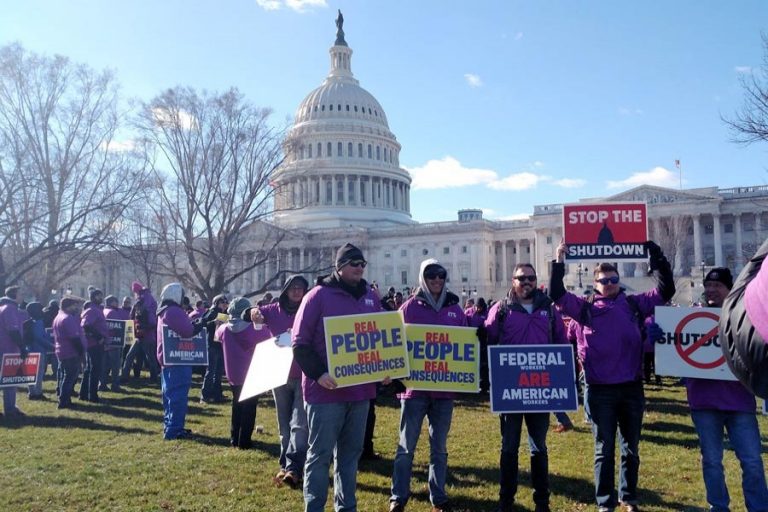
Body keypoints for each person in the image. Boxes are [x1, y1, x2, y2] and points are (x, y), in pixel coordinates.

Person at [549, 240, 675, 512]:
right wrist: (559, 259)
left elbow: (666, 291)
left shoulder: (634, 304)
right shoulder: (584, 307)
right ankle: (605, 501)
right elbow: (557, 293)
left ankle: (628, 497)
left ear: (619, 281)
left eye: (613, 279)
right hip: (600, 389)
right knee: (603, 449)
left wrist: (657, 257)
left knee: (631, 448)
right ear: (595, 283)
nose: (609, 283)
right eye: (603, 280)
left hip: (630, 386)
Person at [292, 243, 390, 512]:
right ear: (339, 266)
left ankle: (347, 508)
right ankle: (314, 507)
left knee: (349, 457)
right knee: (320, 455)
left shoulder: (370, 297)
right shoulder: (317, 296)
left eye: (362, 264)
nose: (359, 268)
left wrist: (386, 369)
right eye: (353, 263)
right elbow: (299, 343)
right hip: (325, 392)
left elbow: (380, 339)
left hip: (360, 394)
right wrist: (318, 374)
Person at [678, 268, 768, 511]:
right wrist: (657, 337)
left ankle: (759, 507)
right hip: (704, 401)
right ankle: (718, 507)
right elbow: (671, 349)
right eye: (708, 285)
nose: (711, 290)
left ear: (729, 290)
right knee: (712, 462)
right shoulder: (689, 318)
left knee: (751, 462)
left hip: (739, 402)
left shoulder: (745, 318)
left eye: (717, 286)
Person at [484, 263, 565, 512]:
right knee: (508, 448)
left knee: (538, 447)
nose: (526, 282)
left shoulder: (550, 310)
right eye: (522, 278)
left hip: (540, 390)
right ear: (513, 280)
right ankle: (506, 500)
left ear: (536, 280)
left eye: (531, 278)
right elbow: (487, 337)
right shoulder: (501, 309)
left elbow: (562, 344)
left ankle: (542, 501)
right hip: (510, 390)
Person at [388, 258, 466, 512]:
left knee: (439, 449)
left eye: (441, 275)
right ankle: (398, 496)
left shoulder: (456, 309)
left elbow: (464, 346)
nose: (436, 280)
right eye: (431, 275)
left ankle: (438, 496)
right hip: (414, 392)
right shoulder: (408, 308)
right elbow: (395, 344)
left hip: (444, 391)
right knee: (405, 447)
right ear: (422, 277)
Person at [246, 275, 310, 486]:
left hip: (303, 374)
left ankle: (294, 468)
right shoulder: (273, 310)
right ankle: (285, 464)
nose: (297, 291)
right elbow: (250, 314)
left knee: (299, 425)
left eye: (301, 288)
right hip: (279, 373)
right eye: (293, 288)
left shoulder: (309, 308)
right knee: (284, 425)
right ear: (285, 290)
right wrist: (253, 313)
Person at [219, 297, 271, 449]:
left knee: (236, 405)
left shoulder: (223, 329)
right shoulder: (253, 329)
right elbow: (268, 337)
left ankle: (234, 438)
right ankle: (244, 440)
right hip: (251, 373)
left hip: (232, 373)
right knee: (249, 408)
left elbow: (217, 337)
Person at [156, 283, 205, 440]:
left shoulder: (163, 311)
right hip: (176, 359)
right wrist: (202, 323)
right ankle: (175, 430)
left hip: (168, 359)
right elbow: (187, 331)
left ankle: (170, 426)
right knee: (178, 396)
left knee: (169, 395)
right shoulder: (173, 311)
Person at [53, 296, 86, 409]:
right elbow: (74, 338)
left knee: (65, 376)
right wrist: (81, 351)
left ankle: (64, 398)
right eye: (74, 306)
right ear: (68, 306)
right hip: (70, 351)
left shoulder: (58, 317)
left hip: (62, 351)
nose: (76, 308)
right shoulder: (67, 318)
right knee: (70, 377)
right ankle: (64, 400)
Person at [122, 282, 159, 382]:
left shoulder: (149, 311)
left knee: (150, 358)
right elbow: (132, 316)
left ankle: (154, 377)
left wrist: (143, 326)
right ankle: (124, 376)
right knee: (130, 356)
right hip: (139, 336)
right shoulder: (142, 305)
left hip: (147, 336)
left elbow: (153, 324)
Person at [0, 286, 27, 417]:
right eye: (21, 293)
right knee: (10, 380)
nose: (23, 296)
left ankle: (10, 407)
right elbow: (13, 330)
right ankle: (10, 409)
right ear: (14, 295)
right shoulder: (10, 309)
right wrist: (22, 347)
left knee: (6, 380)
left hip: (4, 348)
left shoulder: (3, 308)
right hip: (8, 350)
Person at [79, 288, 109, 403]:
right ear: (93, 297)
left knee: (89, 369)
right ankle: (93, 396)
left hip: (93, 343)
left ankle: (84, 394)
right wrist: (99, 337)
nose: (101, 298)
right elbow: (86, 326)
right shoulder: (92, 310)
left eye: (101, 296)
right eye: (98, 296)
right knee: (94, 370)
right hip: (94, 344)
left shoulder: (95, 309)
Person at [201, 294, 229, 403]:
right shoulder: (212, 312)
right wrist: (213, 322)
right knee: (211, 371)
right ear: (217, 303)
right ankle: (205, 395)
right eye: (222, 303)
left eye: (225, 303)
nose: (224, 305)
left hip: (220, 345)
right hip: (212, 345)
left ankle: (217, 394)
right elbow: (203, 323)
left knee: (218, 372)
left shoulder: (225, 313)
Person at [24, 302, 54, 400]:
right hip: (39, 351)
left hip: (30, 350)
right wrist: (52, 347)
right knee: (39, 374)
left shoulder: (30, 322)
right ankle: (37, 393)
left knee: (31, 374)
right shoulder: (39, 322)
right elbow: (40, 338)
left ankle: (32, 392)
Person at [102, 295, 128, 392]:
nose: (117, 303)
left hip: (105, 343)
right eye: (116, 301)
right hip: (114, 343)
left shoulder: (103, 311)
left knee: (105, 366)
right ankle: (115, 385)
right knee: (115, 366)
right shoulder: (113, 312)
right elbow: (118, 327)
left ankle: (102, 384)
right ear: (112, 302)